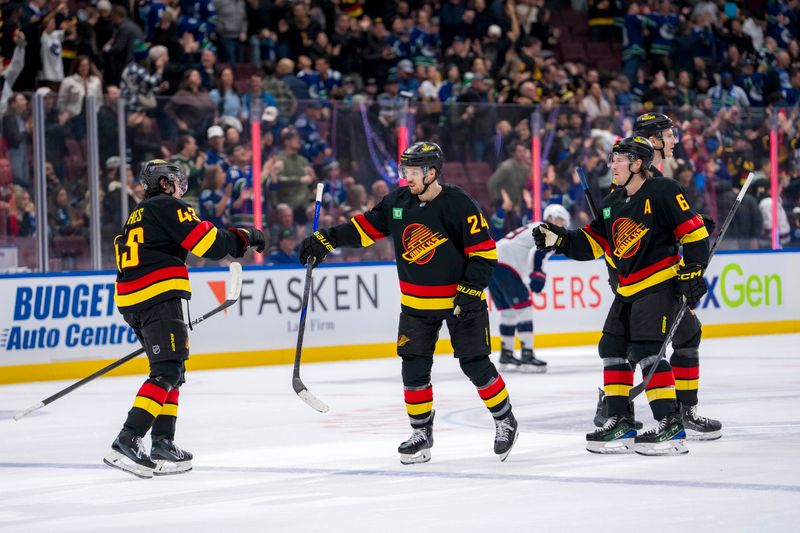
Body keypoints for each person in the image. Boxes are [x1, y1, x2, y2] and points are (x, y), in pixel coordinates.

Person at [300, 142, 519, 464]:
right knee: (413, 368)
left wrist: (470, 290)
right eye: (405, 171)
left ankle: (504, 420)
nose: (407, 177)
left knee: (475, 364)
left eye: (413, 172)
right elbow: (364, 228)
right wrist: (327, 239)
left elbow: (485, 254)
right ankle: (421, 433)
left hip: (462, 301)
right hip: (417, 302)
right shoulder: (397, 201)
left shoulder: (459, 204)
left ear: (432, 173)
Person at [533, 137, 710, 456]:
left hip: (659, 283)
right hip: (628, 288)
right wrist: (559, 240)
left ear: (639, 163)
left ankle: (670, 423)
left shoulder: (664, 191)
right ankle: (620, 421)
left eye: (619, 159)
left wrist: (693, 270)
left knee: (646, 348)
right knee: (612, 346)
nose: (612, 164)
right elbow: (593, 243)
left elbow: (695, 233)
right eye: (612, 158)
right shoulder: (612, 201)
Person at [105, 160, 265, 478]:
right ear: (163, 184)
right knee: (167, 370)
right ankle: (128, 438)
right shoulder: (166, 206)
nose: (182, 189)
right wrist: (244, 238)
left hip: (133, 299)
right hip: (157, 296)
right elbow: (209, 243)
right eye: (177, 182)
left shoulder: (139, 214)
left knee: (172, 370)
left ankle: (163, 443)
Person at [630, 112, 722, 440]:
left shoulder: (653, 172)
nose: (674, 141)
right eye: (668, 136)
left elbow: (657, 217)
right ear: (653, 140)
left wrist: (690, 222)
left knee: (684, 334)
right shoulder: (639, 172)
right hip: (647, 275)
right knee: (641, 342)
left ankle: (680, 411)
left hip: (659, 273)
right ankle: (620, 406)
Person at [489, 204, 571, 373]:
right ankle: (527, 356)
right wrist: (537, 274)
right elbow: (537, 253)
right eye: (561, 220)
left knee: (508, 311)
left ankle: (507, 354)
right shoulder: (548, 231)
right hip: (507, 265)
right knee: (524, 309)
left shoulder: (535, 226)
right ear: (552, 218)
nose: (563, 225)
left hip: (492, 262)